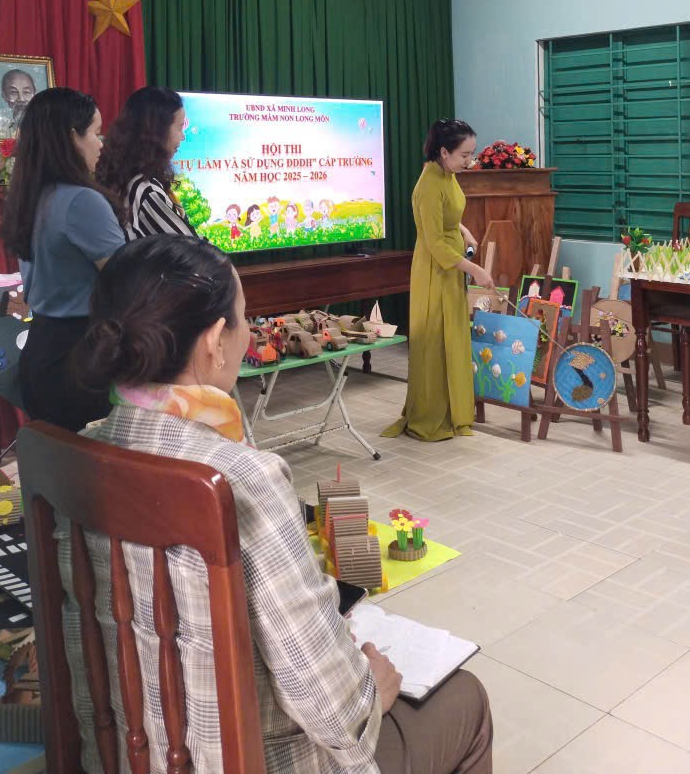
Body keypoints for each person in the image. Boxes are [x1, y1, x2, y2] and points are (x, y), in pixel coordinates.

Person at [70, 234, 493, 774]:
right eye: (245, 320)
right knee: (467, 699)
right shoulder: (242, 477)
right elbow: (333, 710)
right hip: (256, 761)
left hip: (120, 755)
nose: (249, 334)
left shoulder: (80, 453)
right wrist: (371, 688)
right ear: (214, 341)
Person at [0, 87, 126, 431]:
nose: (101, 144)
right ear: (72, 137)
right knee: (94, 460)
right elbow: (127, 280)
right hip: (83, 355)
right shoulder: (81, 201)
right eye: (96, 133)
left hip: (42, 347)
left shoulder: (31, 197)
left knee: (60, 459)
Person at [383, 119, 495, 442]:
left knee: (453, 338)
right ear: (443, 152)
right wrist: (475, 269)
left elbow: (448, 216)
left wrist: (464, 231)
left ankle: (455, 412)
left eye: (472, 154)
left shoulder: (447, 174)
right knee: (434, 342)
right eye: (464, 155)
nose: (469, 162)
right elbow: (433, 241)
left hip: (451, 267)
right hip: (435, 271)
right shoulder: (428, 184)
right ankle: (430, 415)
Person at [97, 85, 196, 239]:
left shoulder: (127, 179)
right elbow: (190, 247)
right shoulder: (146, 190)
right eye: (179, 128)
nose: (183, 136)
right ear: (158, 131)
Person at [0, 67, 37, 139]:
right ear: (4, 96)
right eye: (13, 92)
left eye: (26, 92)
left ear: (35, 94)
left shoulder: (43, 125)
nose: (21, 99)